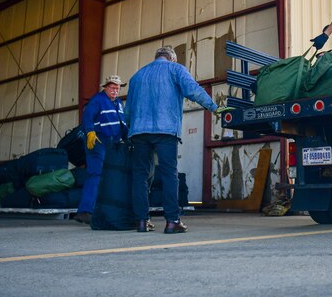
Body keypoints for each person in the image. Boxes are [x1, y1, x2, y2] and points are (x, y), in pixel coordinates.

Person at [125, 46, 223, 233]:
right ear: (172, 58)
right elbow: (193, 90)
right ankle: (172, 221)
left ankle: (142, 221)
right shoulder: (175, 69)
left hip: (138, 132)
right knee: (170, 173)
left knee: (140, 176)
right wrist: (213, 107)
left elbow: (128, 110)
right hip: (165, 130)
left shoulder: (137, 76)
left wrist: (131, 128)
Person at [75, 75, 128, 225]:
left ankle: (100, 210)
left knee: (109, 176)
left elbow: (121, 123)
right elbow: (87, 117)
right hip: (97, 142)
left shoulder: (118, 103)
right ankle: (85, 211)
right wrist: (90, 132)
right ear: (105, 87)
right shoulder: (97, 100)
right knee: (96, 174)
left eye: (117, 88)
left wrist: (128, 138)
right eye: (112, 87)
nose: (115, 90)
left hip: (112, 144)